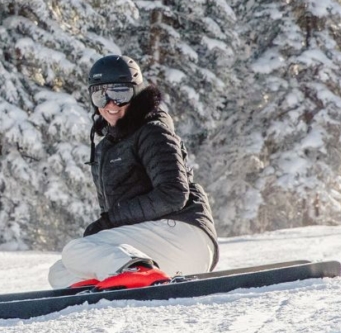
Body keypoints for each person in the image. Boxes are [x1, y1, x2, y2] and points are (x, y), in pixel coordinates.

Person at [47, 54, 219, 290]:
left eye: (120, 94)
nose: (110, 104)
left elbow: (173, 193)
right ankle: (118, 279)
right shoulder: (107, 147)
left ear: (136, 93)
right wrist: (109, 224)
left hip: (182, 233)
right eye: (100, 95)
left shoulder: (152, 131)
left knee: (76, 250)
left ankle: (134, 270)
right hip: (158, 246)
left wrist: (109, 220)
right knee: (60, 272)